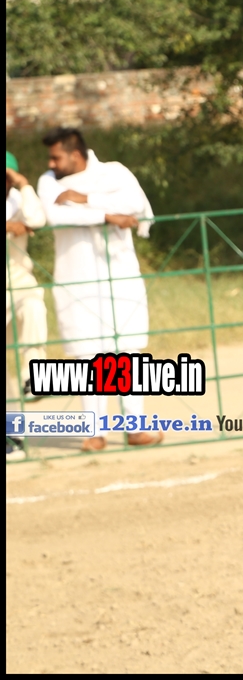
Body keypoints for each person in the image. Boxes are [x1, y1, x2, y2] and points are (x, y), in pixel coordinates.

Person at [36, 128, 160, 452]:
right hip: (76, 278)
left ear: (75, 154)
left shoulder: (113, 173)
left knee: (127, 351)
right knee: (88, 356)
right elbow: (55, 215)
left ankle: (136, 428)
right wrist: (108, 215)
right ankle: (95, 432)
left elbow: (135, 205)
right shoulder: (48, 182)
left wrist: (85, 200)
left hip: (120, 273)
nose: (51, 163)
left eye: (56, 157)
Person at [7, 151, 48, 461]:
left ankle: (34, 377)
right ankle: (13, 439)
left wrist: (23, 184)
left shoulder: (19, 200)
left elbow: (37, 219)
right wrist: (10, 226)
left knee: (34, 305)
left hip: (19, 281)